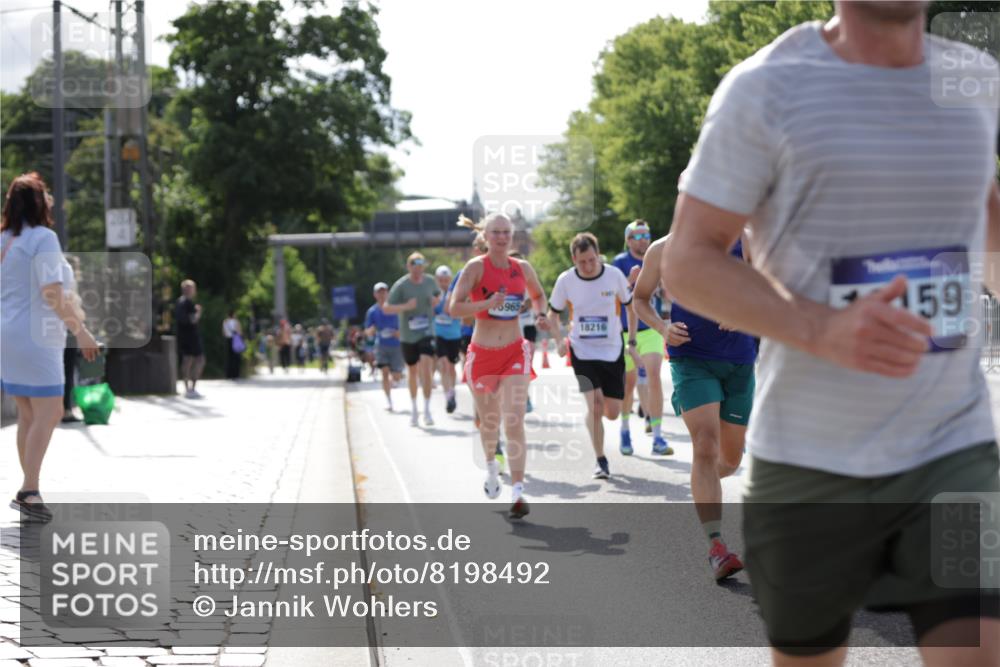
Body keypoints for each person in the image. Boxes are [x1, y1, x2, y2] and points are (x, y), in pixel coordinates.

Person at [662, 2, 1000, 663]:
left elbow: (981, 209)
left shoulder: (975, 78)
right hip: (810, 461)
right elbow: (689, 260)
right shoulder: (767, 87)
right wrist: (820, 328)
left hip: (952, 448)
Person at [634, 233, 756, 580]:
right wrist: (661, 326)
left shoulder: (744, 241)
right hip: (691, 358)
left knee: (729, 461)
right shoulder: (663, 248)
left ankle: (701, 487)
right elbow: (639, 299)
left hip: (739, 361)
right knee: (705, 445)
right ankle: (716, 547)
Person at [1, 172, 99, 521]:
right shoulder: (44, 238)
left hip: (8, 335)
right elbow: (52, 293)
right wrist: (82, 332)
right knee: (52, 410)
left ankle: (30, 487)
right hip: (35, 337)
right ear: (39, 202)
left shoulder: (5, 240)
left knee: (29, 413)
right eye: (46, 195)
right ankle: (29, 490)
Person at [450, 213, 548, 518]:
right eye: (496, 232)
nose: (502, 237)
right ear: (486, 237)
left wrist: (541, 312)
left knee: (514, 419)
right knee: (489, 423)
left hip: (514, 353)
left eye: (507, 232)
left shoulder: (523, 268)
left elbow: (538, 295)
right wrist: (485, 305)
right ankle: (492, 467)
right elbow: (453, 308)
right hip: (483, 355)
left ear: (512, 236)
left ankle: (518, 491)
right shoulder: (475, 268)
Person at [547, 232, 640, 480]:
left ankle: (593, 419)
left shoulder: (614, 275)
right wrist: (558, 341)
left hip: (612, 349)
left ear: (598, 255)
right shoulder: (566, 280)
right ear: (573, 259)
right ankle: (600, 459)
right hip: (581, 350)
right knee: (596, 406)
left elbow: (631, 308)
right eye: (582, 262)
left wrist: (631, 341)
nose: (587, 266)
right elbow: (552, 314)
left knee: (612, 412)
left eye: (591, 260)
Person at [612, 220, 672, 456]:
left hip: (651, 328)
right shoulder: (619, 262)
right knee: (629, 385)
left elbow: (669, 292)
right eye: (637, 236)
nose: (643, 239)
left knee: (655, 377)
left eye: (646, 234)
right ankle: (625, 429)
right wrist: (629, 281)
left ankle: (657, 436)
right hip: (626, 332)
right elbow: (611, 297)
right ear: (628, 240)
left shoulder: (658, 256)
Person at [382, 252, 441, 427]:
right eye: (414, 264)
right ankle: (415, 409)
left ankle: (427, 409)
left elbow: (439, 296)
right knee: (413, 371)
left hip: (426, 331)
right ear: (408, 266)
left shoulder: (430, 281)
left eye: (420, 264)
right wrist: (405, 306)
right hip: (408, 334)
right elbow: (386, 308)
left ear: (424, 266)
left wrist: (435, 300)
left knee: (426, 365)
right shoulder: (401, 285)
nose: (418, 268)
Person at [364, 282, 404, 411]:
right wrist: (372, 330)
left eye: (384, 292)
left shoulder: (395, 308)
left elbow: (405, 325)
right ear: (375, 295)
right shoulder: (372, 311)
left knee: (397, 375)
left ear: (388, 293)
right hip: (381, 345)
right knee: (384, 372)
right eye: (379, 292)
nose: (382, 294)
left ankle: (395, 380)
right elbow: (367, 331)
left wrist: (399, 333)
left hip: (397, 345)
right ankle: (389, 401)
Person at [433, 265, 462, 414]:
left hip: (455, 335)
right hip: (439, 334)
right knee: (443, 364)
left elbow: (459, 311)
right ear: (437, 280)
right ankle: (448, 396)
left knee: (451, 366)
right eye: (441, 280)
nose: (444, 282)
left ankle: (452, 389)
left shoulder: (455, 293)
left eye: (446, 279)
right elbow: (430, 312)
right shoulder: (434, 294)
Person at [175, 279, 205, 398]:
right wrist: (198, 312)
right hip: (191, 336)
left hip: (183, 336)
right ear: (188, 289)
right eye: (193, 288)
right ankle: (191, 388)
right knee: (199, 360)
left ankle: (188, 388)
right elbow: (193, 320)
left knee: (187, 361)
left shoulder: (179, 302)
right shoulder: (188, 303)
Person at [222, 310, 243, 380]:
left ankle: (228, 375)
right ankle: (235, 375)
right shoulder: (236, 322)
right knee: (236, 358)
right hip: (235, 340)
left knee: (229, 358)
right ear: (233, 315)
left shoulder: (225, 322)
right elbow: (239, 332)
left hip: (228, 340)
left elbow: (224, 332)